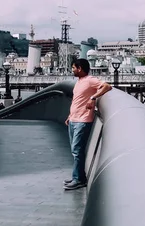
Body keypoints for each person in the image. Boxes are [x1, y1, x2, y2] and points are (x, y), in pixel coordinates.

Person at [63, 59, 112, 190]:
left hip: (83, 121)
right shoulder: (78, 82)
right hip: (74, 119)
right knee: (75, 150)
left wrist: (93, 97)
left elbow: (107, 86)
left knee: (77, 150)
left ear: (80, 68)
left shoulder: (90, 80)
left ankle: (77, 179)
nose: (72, 70)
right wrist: (70, 116)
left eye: (73, 68)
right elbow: (77, 101)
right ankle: (79, 177)